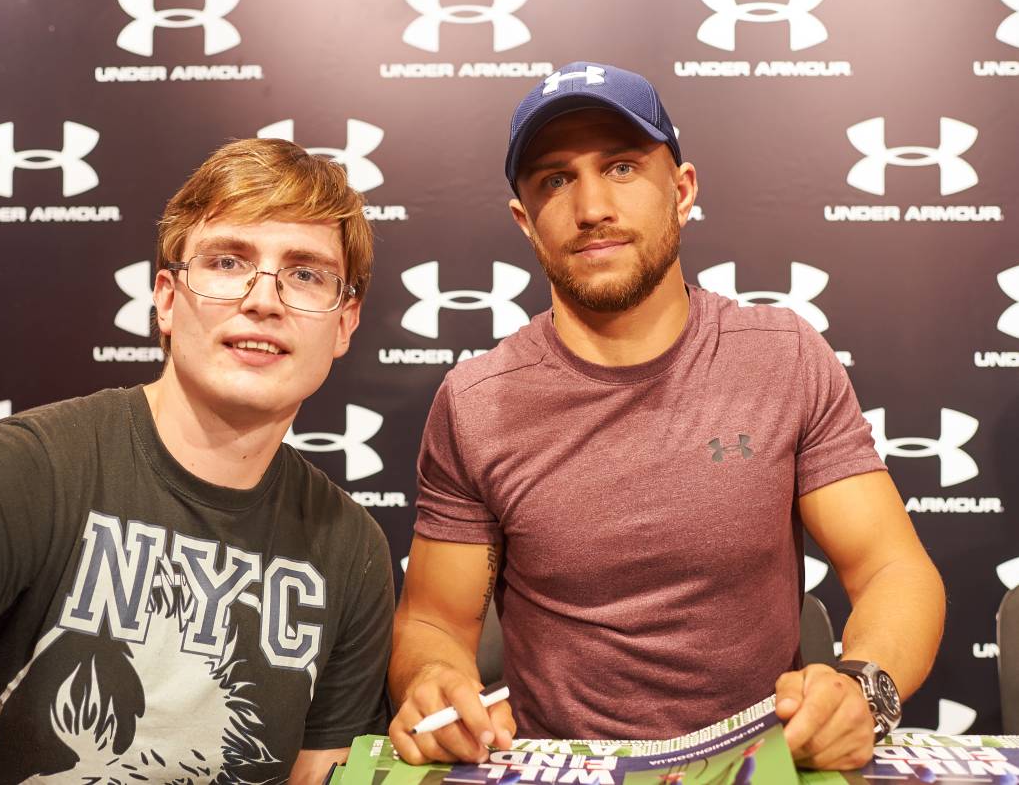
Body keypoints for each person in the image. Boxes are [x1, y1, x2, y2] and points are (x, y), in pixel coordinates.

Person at [388, 62, 945, 772]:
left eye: (620, 166)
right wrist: (434, 680)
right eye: (555, 179)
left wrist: (862, 690)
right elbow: (435, 619)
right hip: (566, 768)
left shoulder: (781, 356)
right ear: (525, 222)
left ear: (681, 191)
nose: (590, 206)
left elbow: (892, 570)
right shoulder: (476, 401)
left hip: (765, 762)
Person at [0, 138, 394, 784]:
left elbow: (317, 774)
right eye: (227, 261)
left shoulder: (348, 547)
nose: (263, 299)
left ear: (344, 322)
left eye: (304, 273)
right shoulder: (27, 473)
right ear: (165, 297)